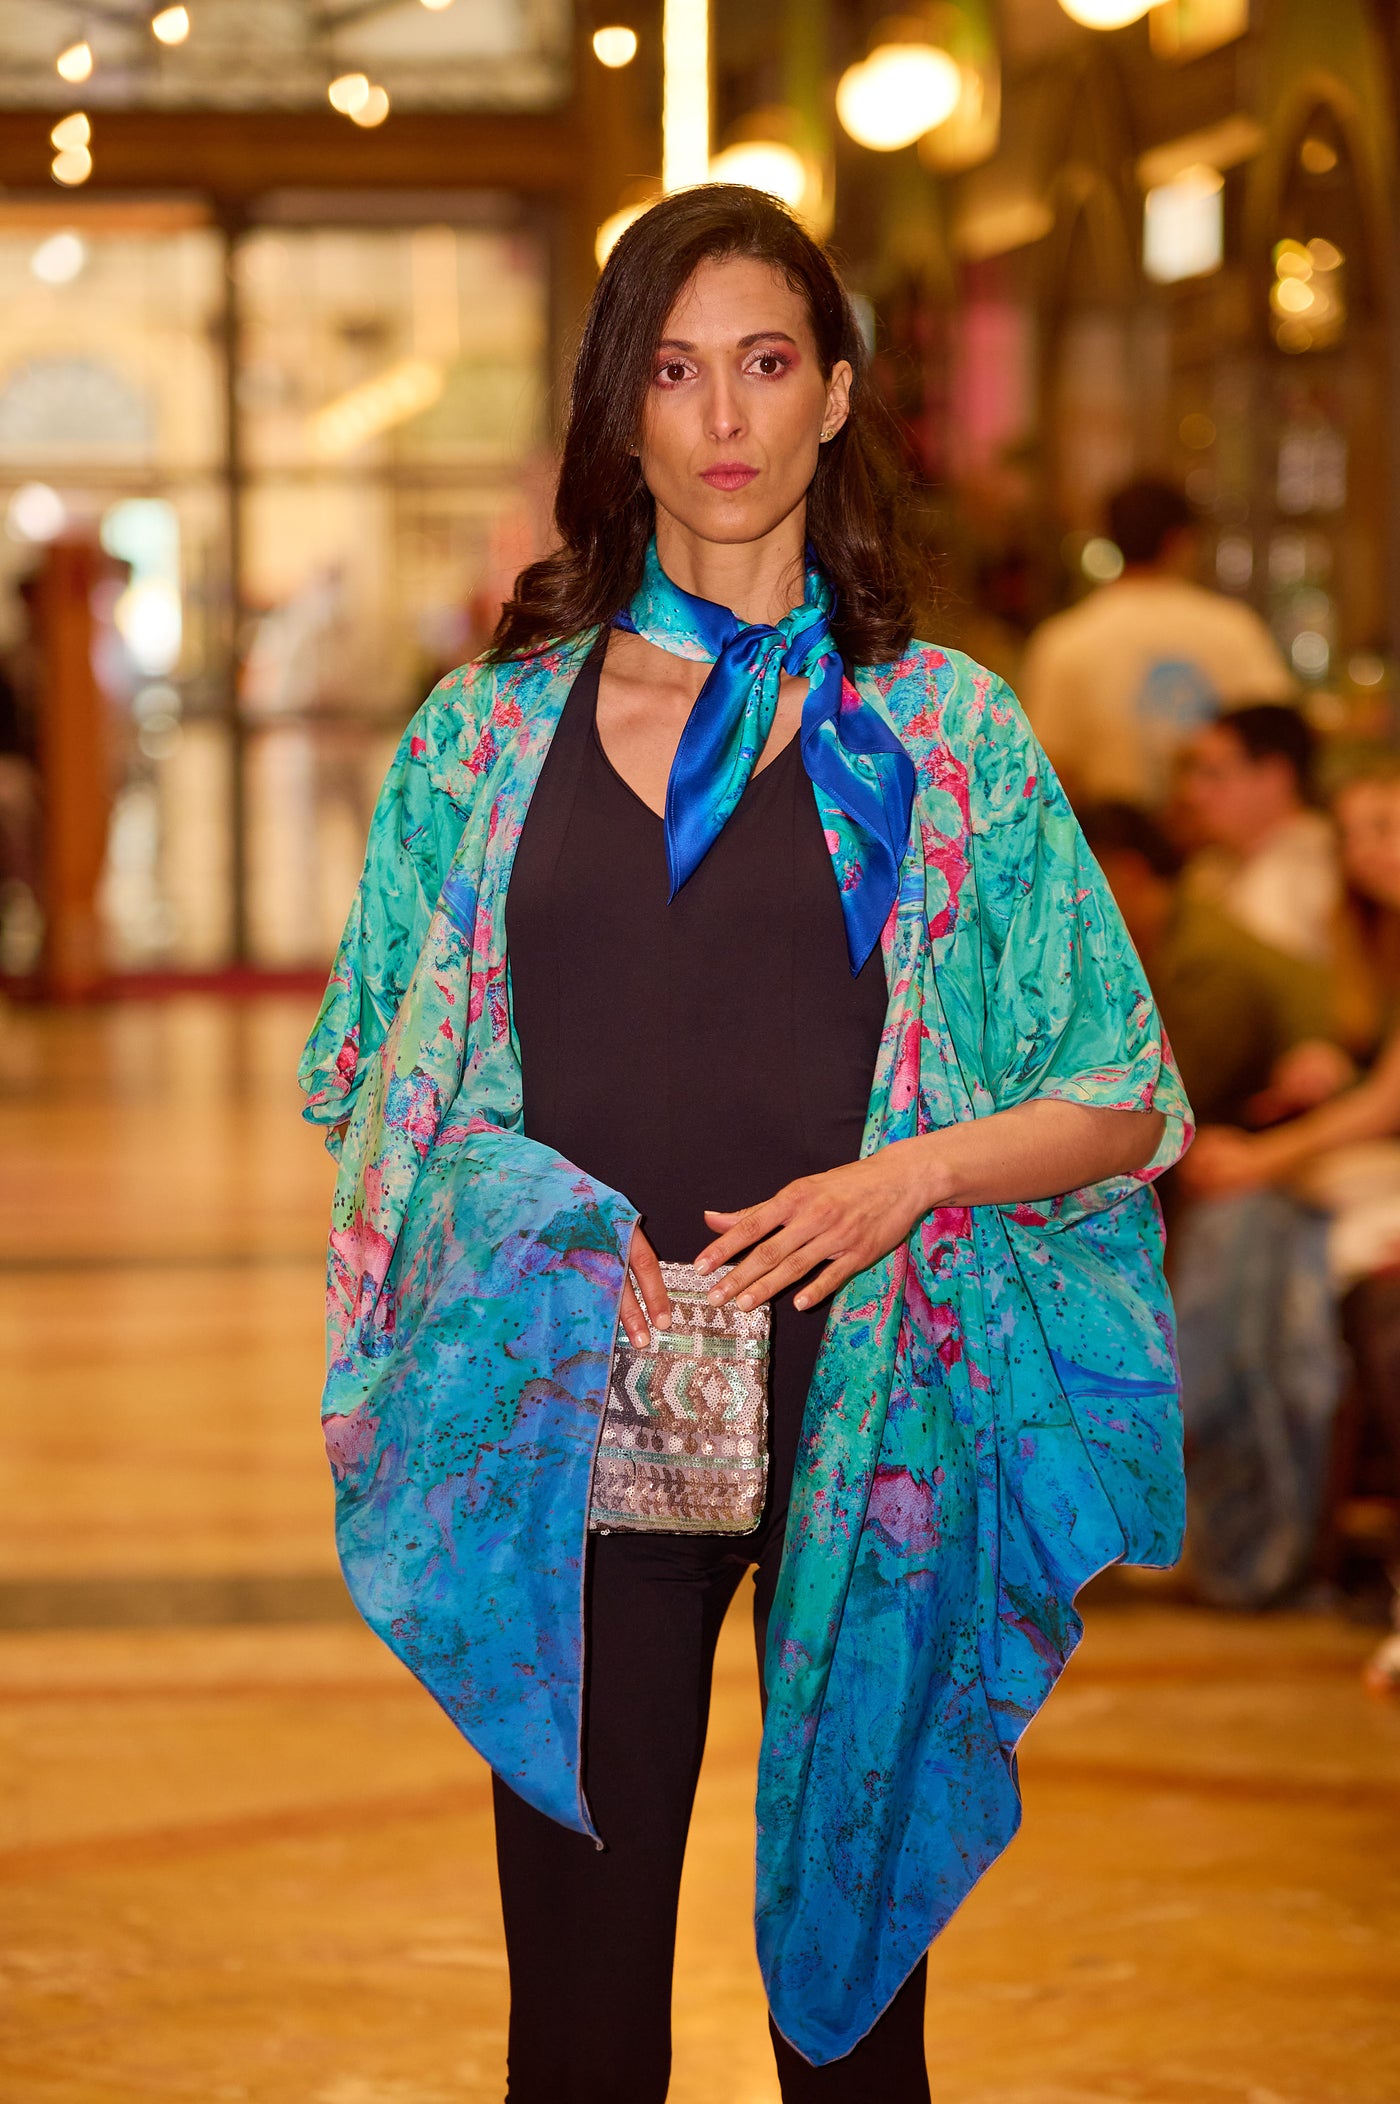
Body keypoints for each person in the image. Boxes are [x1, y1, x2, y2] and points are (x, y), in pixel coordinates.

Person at [298, 186, 1190, 2101]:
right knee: (583, 2022)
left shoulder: (947, 735)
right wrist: (534, 1217)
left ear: (837, 395)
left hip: (884, 1422)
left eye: (767, 363)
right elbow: (381, 1102)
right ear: (618, 410)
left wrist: (908, 1174)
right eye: (676, 369)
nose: (723, 417)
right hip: (589, 1411)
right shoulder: (483, 738)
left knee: (856, 2030)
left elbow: (1122, 1091)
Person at [1019, 478, 1293, 807]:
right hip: (1227, 829)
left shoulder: (1064, 641)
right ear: (1180, 542)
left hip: (1109, 835)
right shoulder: (1233, 629)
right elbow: (1281, 739)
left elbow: (1049, 772)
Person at [1079, 799, 1334, 1132]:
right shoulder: (1173, 931)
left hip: (1318, 1110)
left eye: (1074, 885)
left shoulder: (1202, 960)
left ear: (1129, 874)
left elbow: (1174, 1098)